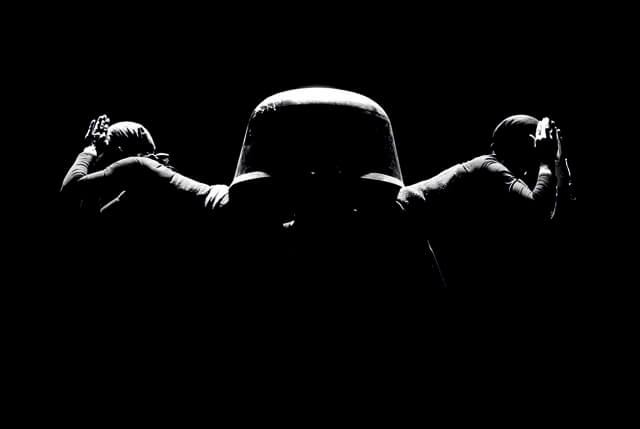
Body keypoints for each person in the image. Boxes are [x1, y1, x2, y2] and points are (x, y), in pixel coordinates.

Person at [398, 114, 569, 290]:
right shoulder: (487, 167)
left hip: (412, 225)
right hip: (404, 217)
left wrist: (559, 163)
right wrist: (547, 161)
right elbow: (538, 210)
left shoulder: (500, 179)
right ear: (530, 143)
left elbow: (544, 224)